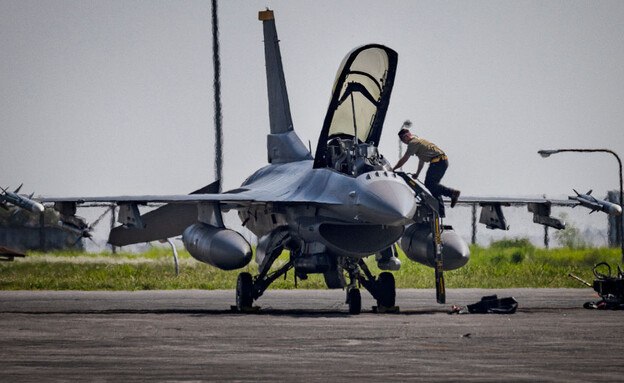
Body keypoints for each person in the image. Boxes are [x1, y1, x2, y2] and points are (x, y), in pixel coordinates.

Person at [392, 128, 461, 207]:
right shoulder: (420, 142)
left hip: (437, 162)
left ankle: (452, 193)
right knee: (433, 186)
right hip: (442, 161)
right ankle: (439, 207)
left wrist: (393, 169)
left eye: (402, 139)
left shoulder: (413, 143)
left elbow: (405, 158)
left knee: (429, 184)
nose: (403, 142)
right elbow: (421, 161)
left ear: (407, 136)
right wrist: (417, 174)